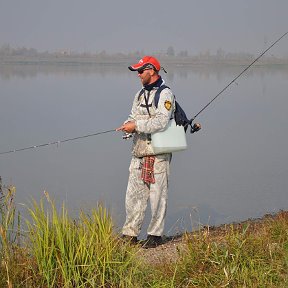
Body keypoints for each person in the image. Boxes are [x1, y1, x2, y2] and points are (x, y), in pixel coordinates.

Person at [116, 55, 175, 248]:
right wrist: (127, 126)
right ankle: (129, 234)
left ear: (151, 70)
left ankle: (155, 235)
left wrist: (136, 126)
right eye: (137, 71)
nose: (138, 75)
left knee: (158, 195)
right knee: (133, 195)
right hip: (139, 151)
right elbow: (133, 116)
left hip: (159, 152)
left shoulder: (166, 94)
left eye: (141, 71)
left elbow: (161, 122)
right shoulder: (139, 94)